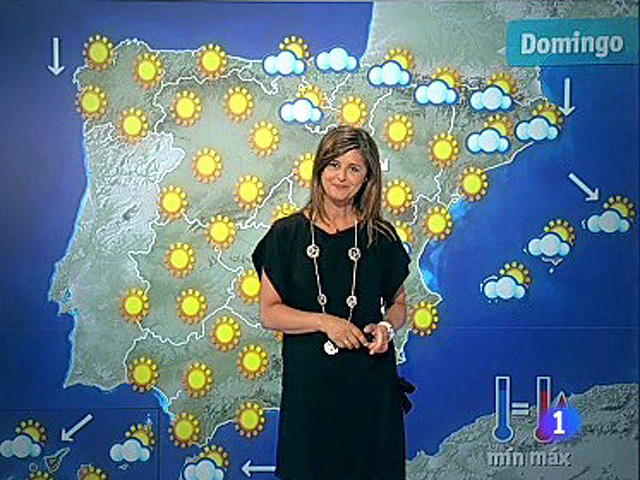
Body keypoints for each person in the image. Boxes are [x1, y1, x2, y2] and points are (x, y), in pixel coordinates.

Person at [252, 125, 411, 480]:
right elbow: (270, 313)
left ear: (367, 177)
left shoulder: (381, 236)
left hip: (370, 389)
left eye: (354, 168)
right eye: (334, 165)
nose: (341, 177)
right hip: (311, 393)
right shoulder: (286, 234)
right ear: (320, 169)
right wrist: (325, 322)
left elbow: (399, 304)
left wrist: (386, 327)